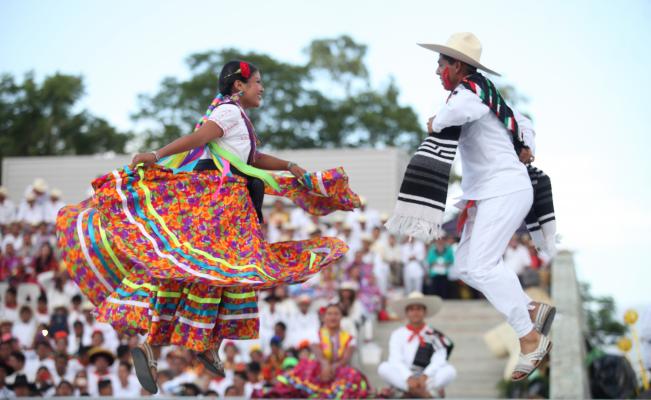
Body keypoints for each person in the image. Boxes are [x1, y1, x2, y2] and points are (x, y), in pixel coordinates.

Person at [56, 60, 359, 394]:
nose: (262, 88)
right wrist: (156, 155)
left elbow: (251, 160)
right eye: (257, 81)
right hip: (225, 209)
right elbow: (201, 137)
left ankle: (164, 347)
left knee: (208, 277)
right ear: (239, 86)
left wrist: (289, 165)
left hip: (233, 209)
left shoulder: (237, 118)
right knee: (219, 275)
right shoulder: (228, 112)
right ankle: (195, 344)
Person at [386, 32, 557, 381]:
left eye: (441, 63)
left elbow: (454, 114)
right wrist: (527, 145)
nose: (436, 70)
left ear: (457, 66)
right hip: (492, 193)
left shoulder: (470, 94)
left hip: (502, 190)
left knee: (479, 265)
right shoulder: (489, 96)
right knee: (465, 266)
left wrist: (434, 122)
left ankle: (528, 337)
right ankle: (531, 309)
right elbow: (524, 124)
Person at [256, 303, 370, 398]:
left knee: (352, 375)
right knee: (305, 366)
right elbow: (318, 354)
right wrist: (325, 365)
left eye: (336, 314)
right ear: (324, 317)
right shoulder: (315, 334)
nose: (333, 317)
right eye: (329, 314)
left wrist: (332, 368)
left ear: (341, 317)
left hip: (339, 370)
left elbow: (345, 359)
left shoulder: (349, 338)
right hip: (319, 370)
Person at [378, 292, 455, 397]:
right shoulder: (397, 334)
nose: (415, 312)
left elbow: (439, 359)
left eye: (419, 309)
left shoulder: (434, 334)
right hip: (405, 377)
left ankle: (409, 391)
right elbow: (395, 359)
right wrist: (408, 377)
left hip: (426, 379)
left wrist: (425, 375)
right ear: (407, 312)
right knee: (383, 367)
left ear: (425, 311)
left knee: (450, 371)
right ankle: (422, 393)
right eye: (412, 309)